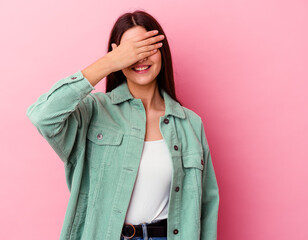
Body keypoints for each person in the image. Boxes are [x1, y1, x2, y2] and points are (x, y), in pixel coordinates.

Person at [26, 10, 219, 240]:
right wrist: (108, 63)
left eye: (147, 47)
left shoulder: (190, 124)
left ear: (162, 51)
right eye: (131, 51)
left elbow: (206, 209)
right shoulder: (94, 111)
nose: (140, 58)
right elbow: (42, 116)